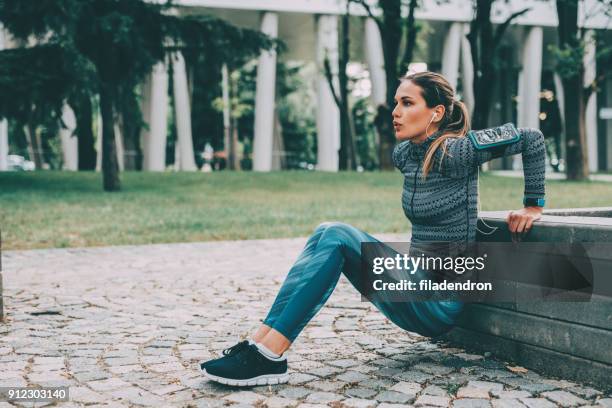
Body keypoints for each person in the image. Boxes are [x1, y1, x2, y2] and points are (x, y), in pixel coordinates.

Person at [199, 71, 546, 387]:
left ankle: (269, 356)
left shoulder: (459, 151)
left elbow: (531, 139)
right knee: (325, 231)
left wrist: (533, 205)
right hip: (414, 283)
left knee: (336, 233)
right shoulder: (405, 155)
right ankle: (260, 344)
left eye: (407, 103)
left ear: (436, 113)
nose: (395, 111)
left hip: (440, 300)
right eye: (396, 102)